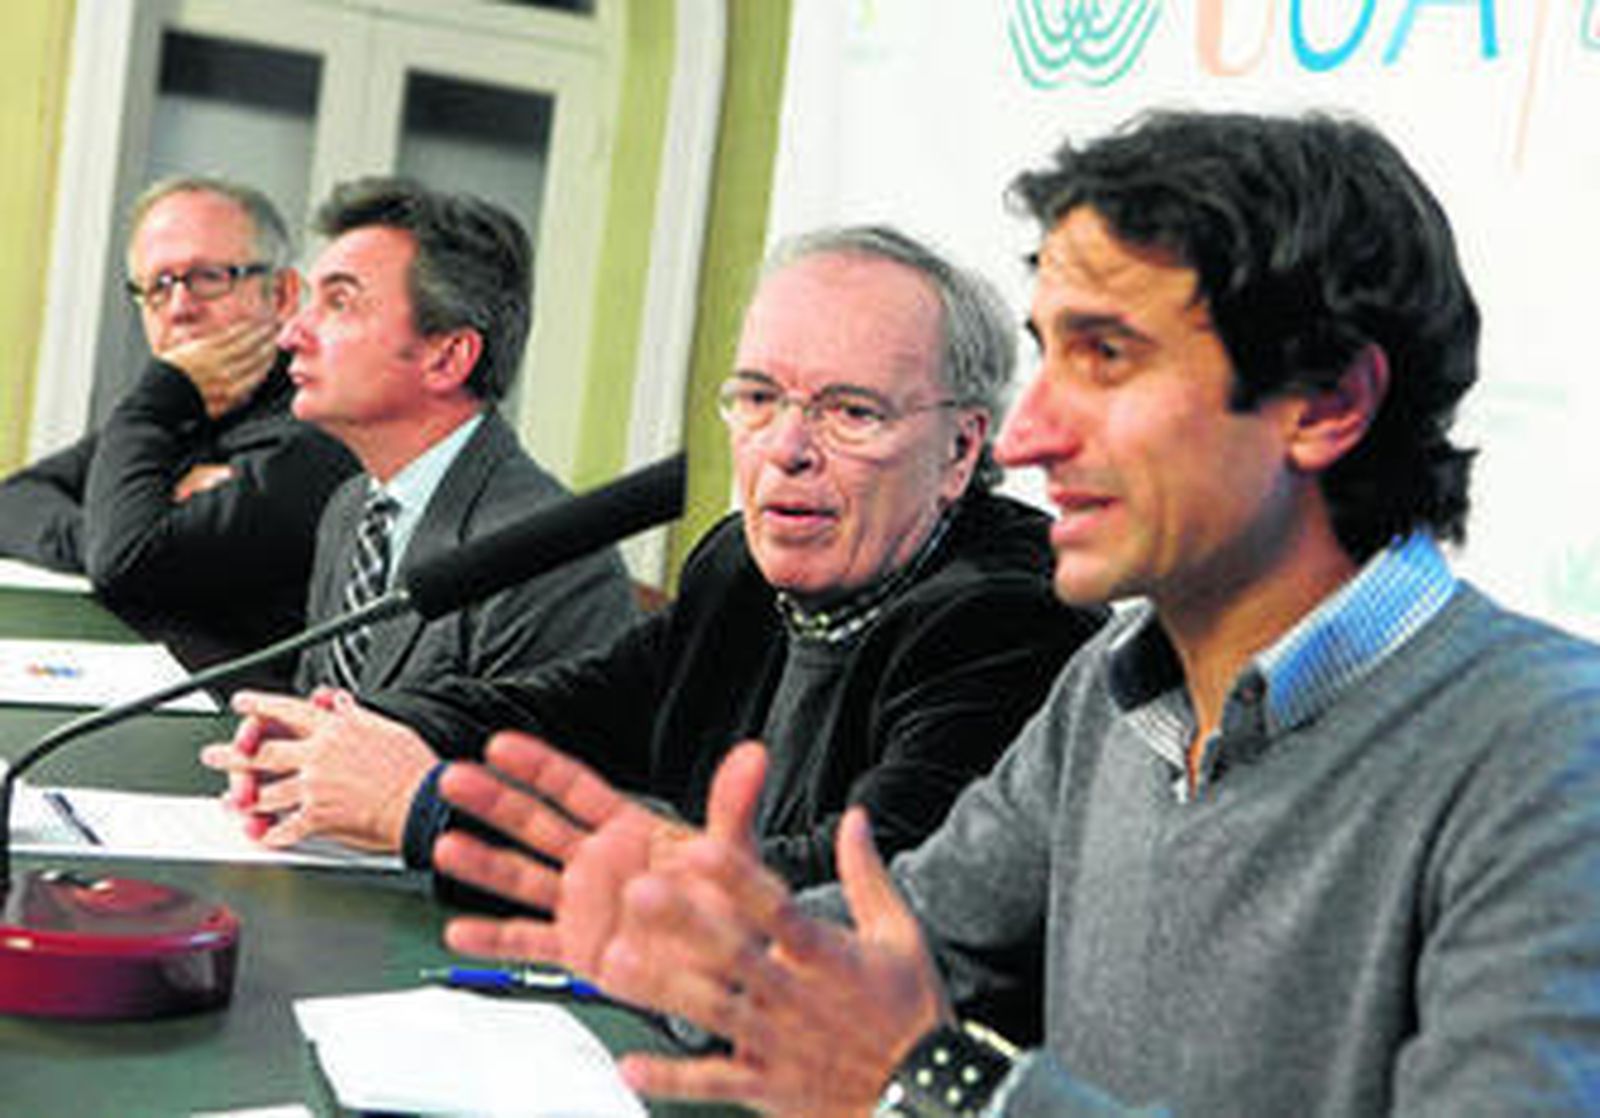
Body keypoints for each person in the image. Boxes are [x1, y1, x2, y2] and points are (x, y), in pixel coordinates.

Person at [426, 111, 1600, 1116]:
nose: (1029, 436)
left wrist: (943, 1085)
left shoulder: (1552, 753)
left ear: (1327, 400)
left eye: (1106, 358)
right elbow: (903, 936)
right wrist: (708, 936)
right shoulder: (1119, 683)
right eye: (1044, 357)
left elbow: (910, 1060)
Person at [201, 225, 1105, 881]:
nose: (785, 449)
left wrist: (431, 808)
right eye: (757, 399)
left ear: (959, 451)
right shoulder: (742, 568)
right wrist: (364, 727)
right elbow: (574, 710)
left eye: (850, 412)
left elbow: (845, 888)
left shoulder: (1007, 619)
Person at [205, 176, 640, 849]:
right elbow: (323, 726)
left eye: (340, 304)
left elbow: (554, 825)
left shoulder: (549, 557)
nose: (291, 333)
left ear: (447, 356)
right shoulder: (352, 508)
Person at [0, 177, 358, 675]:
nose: (180, 308)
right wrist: (117, 524)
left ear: (281, 295)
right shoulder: (181, 408)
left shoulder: (318, 430)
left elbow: (126, 559)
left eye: (208, 277)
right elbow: (13, 500)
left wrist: (147, 413)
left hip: (242, 728)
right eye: (157, 286)